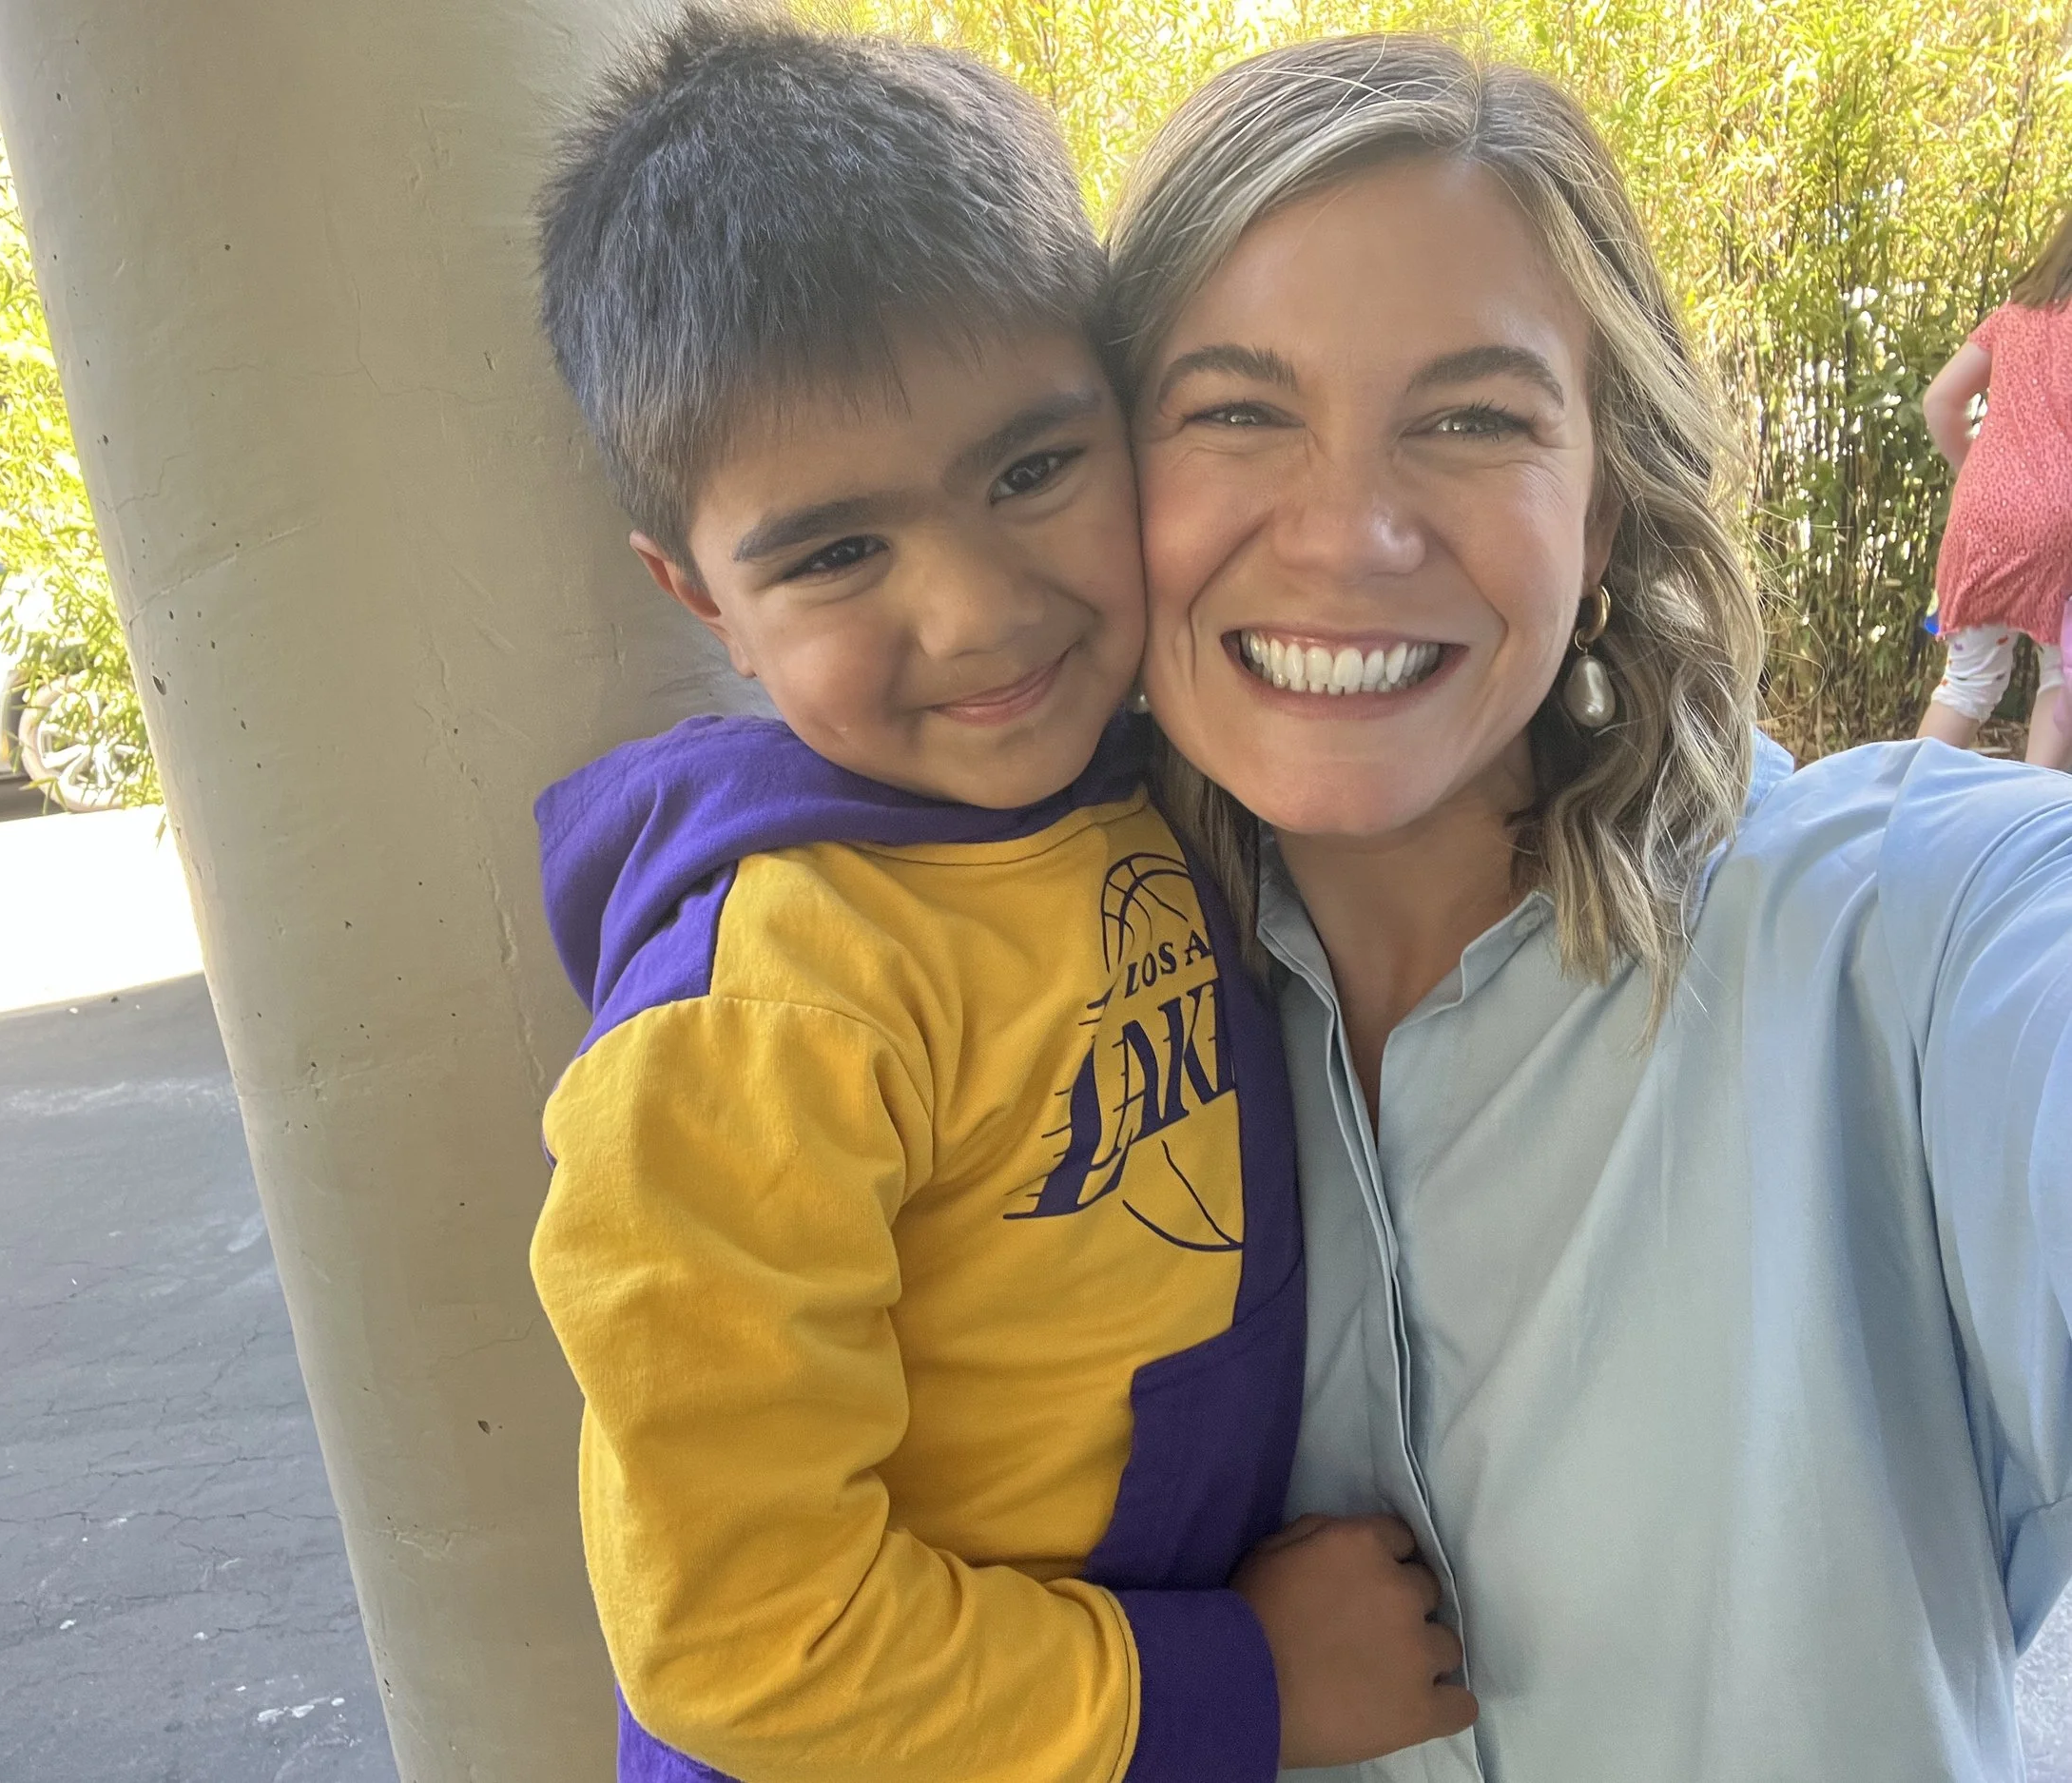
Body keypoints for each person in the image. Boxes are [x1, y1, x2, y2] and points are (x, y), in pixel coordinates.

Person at [1112, 32, 2072, 1782]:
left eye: (1473, 418)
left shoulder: (1907, 934)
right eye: (1238, 409)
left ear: (1607, 502)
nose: (1350, 533)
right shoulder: (1016, 1033)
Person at [524, 15, 1471, 1783]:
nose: (976, 615)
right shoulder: (764, 1017)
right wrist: (1240, 1688)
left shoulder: (1162, 770)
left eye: (1032, 470)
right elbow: (743, 1638)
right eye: (833, 551)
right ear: (699, 596)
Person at [1918, 210, 2072, 771]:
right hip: (2064, 520)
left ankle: (1896, 809)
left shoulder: (2015, 314)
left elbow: (1939, 401)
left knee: (1966, 684)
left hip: (1983, 511)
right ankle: (2033, 822)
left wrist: (1976, 474)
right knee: (2063, 676)